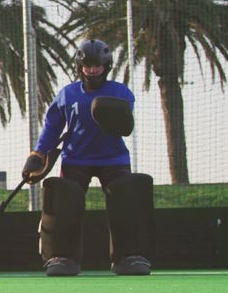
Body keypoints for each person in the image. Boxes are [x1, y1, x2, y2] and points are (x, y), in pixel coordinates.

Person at [22, 39, 154, 278]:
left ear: (107, 66)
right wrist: (38, 154)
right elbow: (52, 127)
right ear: (79, 66)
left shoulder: (121, 93)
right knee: (65, 200)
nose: (92, 70)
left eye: (97, 65)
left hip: (113, 159)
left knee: (125, 198)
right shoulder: (67, 94)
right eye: (88, 65)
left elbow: (125, 123)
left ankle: (129, 256)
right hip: (76, 159)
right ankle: (62, 258)